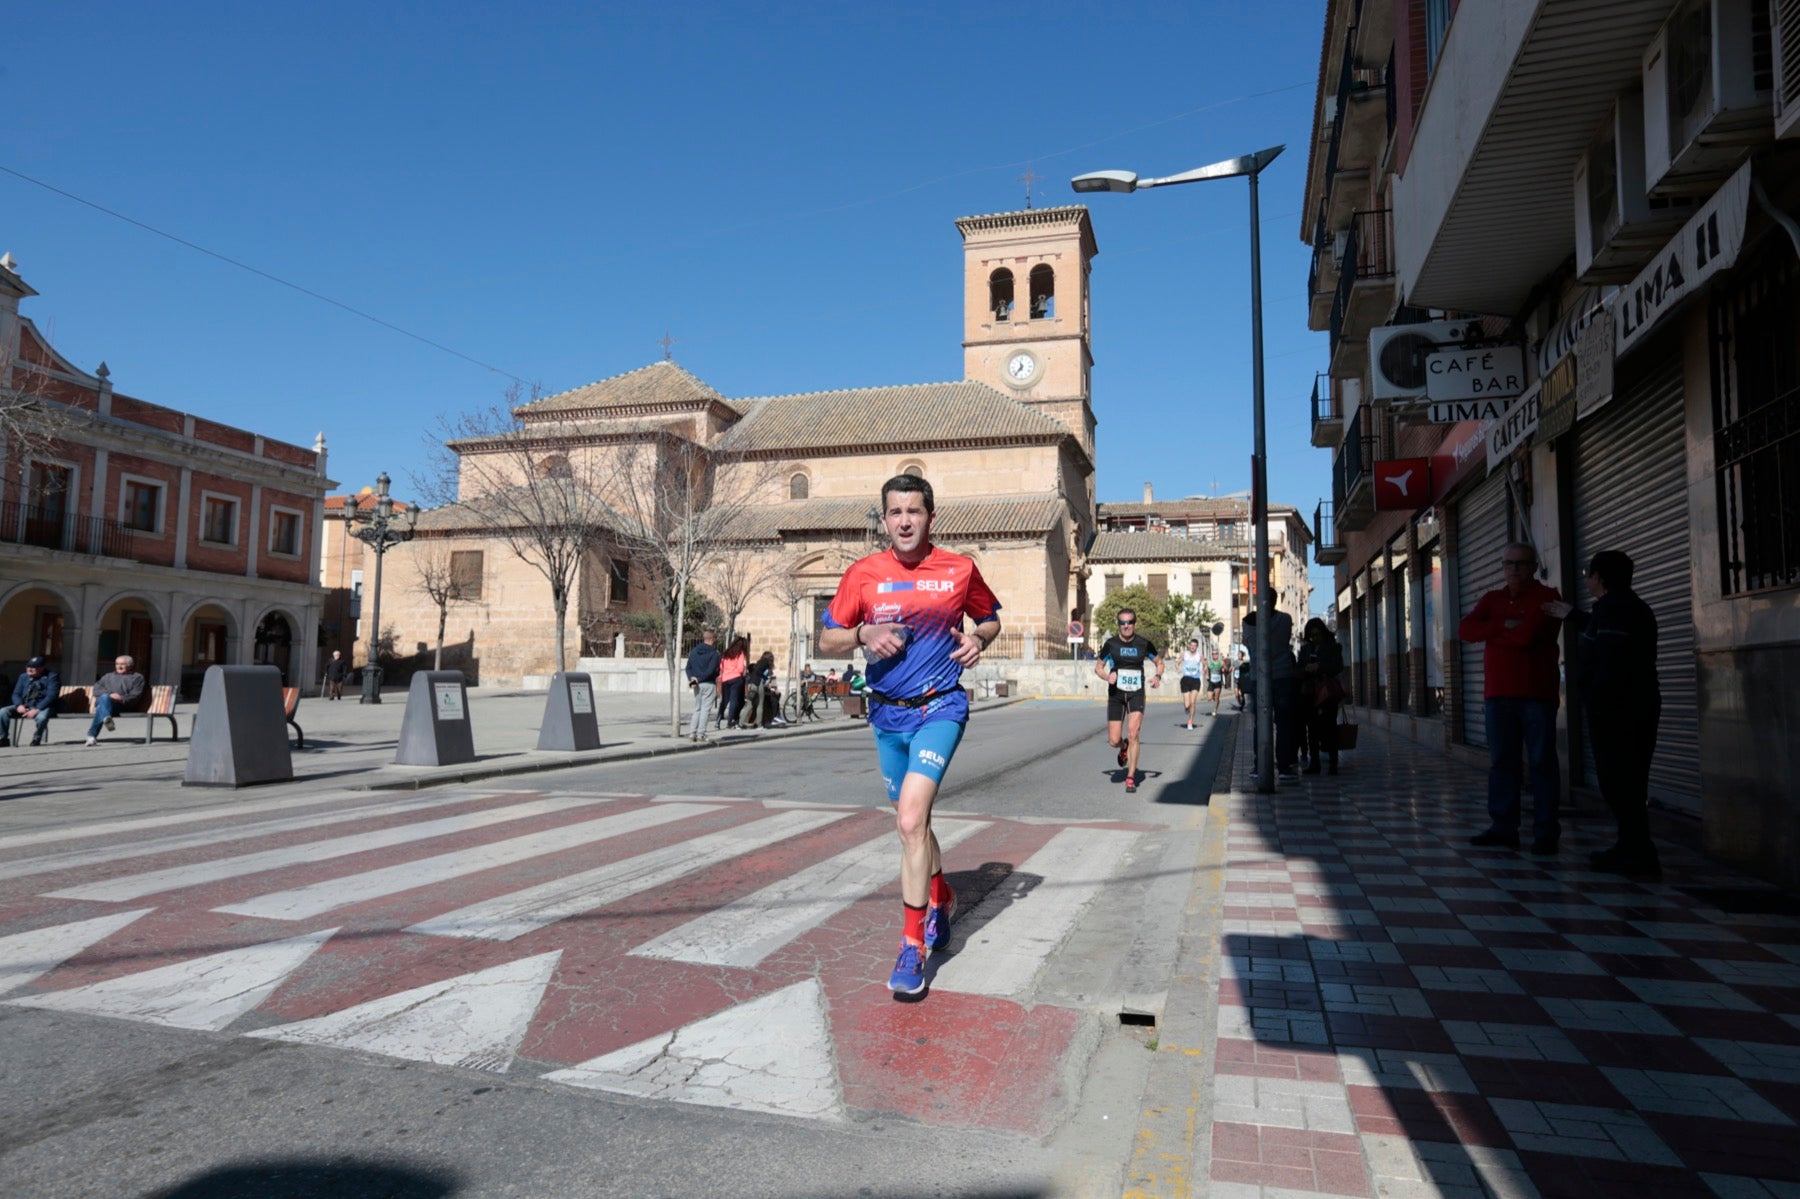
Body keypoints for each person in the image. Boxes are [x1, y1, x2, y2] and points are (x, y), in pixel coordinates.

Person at [818, 473, 1001, 996]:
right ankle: (940, 898)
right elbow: (828, 639)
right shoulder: (864, 574)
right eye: (894, 512)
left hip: (941, 707)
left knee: (910, 818)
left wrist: (977, 640)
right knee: (913, 828)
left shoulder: (960, 568)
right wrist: (861, 633)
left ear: (930, 517)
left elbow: (990, 619)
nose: (904, 521)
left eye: (914, 512)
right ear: (883, 519)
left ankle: (911, 945)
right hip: (887, 715)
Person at [1545, 550, 1661, 876]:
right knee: (1628, 783)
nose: (1587, 579)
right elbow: (1604, 633)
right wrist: (1574, 615)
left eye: (1588, 574)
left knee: (1620, 782)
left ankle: (1639, 854)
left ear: (1600, 577)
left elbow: (1611, 661)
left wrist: (1593, 698)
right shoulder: (1623, 608)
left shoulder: (1616, 610)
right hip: (1632, 705)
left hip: (1619, 711)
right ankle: (1632, 848)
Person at [1458, 542, 1565, 854]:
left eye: (1520, 563)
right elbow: (1466, 629)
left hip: (1537, 694)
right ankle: (1504, 827)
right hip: (1498, 695)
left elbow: (1528, 635)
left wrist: (1492, 631)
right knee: (1502, 763)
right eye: (1508, 564)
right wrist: (1504, 625)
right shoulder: (1492, 599)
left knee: (1542, 763)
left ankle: (1546, 833)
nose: (1514, 569)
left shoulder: (1548, 598)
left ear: (1533, 566)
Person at [1095, 607, 1163, 794]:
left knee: (1133, 733)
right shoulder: (1111, 644)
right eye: (1122, 623)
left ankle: (1131, 777)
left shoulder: (1143, 644)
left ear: (1134, 623)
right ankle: (1123, 746)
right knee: (1113, 740)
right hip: (1116, 694)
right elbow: (1098, 667)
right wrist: (1106, 677)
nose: (1126, 626)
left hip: (1136, 693)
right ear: (1118, 625)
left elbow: (1159, 662)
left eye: (1129, 622)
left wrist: (1158, 676)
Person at [1243, 591, 1299, 777]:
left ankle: (1260, 765)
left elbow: (1248, 643)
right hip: (1283, 675)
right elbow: (1285, 640)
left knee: (1260, 722)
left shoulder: (1247, 622)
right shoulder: (1285, 619)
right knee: (1284, 723)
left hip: (1258, 676)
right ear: (1275, 601)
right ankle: (1283, 765)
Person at [1298, 619, 1344, 775]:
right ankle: (1314, 763)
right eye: (1311, 636)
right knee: (1312, 730)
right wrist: (1306, 668)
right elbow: (1298, 669)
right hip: (1310, 694)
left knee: (1330, 728)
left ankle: (1333, 763)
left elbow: (1338, 666)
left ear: (1323, 632)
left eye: (1317, 634)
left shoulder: (1333, 647)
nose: (1314, 638)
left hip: (1327, 694)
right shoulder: (1306, 650)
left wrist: (1320, 667)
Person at [84, 655, 147, 746]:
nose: (119, 666)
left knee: (101, 707)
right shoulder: (108, 676)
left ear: (130, 665)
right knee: (105, 698)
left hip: (121, 705)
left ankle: (92, 735)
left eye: (122, 664)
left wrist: (121, 698)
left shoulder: (137, 677)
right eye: (117, 664)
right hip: (106, 702)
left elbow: (135, 695)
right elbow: (96, 690)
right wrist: (111, 695)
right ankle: (106, 719)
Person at [0, 656, 61, 747]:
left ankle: (36, 738)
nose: (30, 669)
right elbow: (16, 693)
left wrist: (37, 709)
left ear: (42, 668)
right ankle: (3, 739)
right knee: (3, 712)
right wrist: (19, 705)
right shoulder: (23, 676)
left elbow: (51, 696)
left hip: (43, 706)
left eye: (34, 667)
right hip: (25, 705)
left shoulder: (52, 677)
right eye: (28, 667)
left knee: (41, 718)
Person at [684, 629, 721, 743]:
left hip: (696, 683)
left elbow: (688, 668)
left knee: (697, 708)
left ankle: (692, 733)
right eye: (715, 638)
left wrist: (692, 679)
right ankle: (701, 734)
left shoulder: (694, 651)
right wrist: (700, 679)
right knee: (705, 710)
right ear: (712, 639)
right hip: (708, 683)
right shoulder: (714, 654)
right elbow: (711, 671)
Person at [716, 636, 748, 729]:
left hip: (725, 679)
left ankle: (718, 719)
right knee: (734, 700)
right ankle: (730, 721)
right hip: (736, 678)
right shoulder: (740, 654)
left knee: (725, 700)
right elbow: (740, 668)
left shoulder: (727, 653)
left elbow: (722, 666)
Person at [1178, 638, 1205, 730]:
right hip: (1185, 680)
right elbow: (1177, 662)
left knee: (1193, 702)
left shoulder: (1199, 656)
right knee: (1187, 704)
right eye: (1191, 645)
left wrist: (1204, 670)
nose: (1192, 647)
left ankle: (1190, 721)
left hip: (1195, 680)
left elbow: (1205, 664)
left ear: (1197, 647)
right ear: (1189, 646)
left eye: (1194, 646)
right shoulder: (1184, 654)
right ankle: (1187, 708)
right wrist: (1177, 667)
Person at [1207, 652, 1226, 717]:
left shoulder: (1221, 662)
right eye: (1213, 654)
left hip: (1218, 682)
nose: (1214, 655)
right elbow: (1206, 669)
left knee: (1217, 697)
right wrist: (1206, 674)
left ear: (1218, 655)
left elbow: (1226, 669)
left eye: (1216, 654)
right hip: (1211, 682)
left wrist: (1224, 667)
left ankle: (1215, 710)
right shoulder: (1210, 663)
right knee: (1209, 698)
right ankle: (1216, 700)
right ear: (1212, 655)